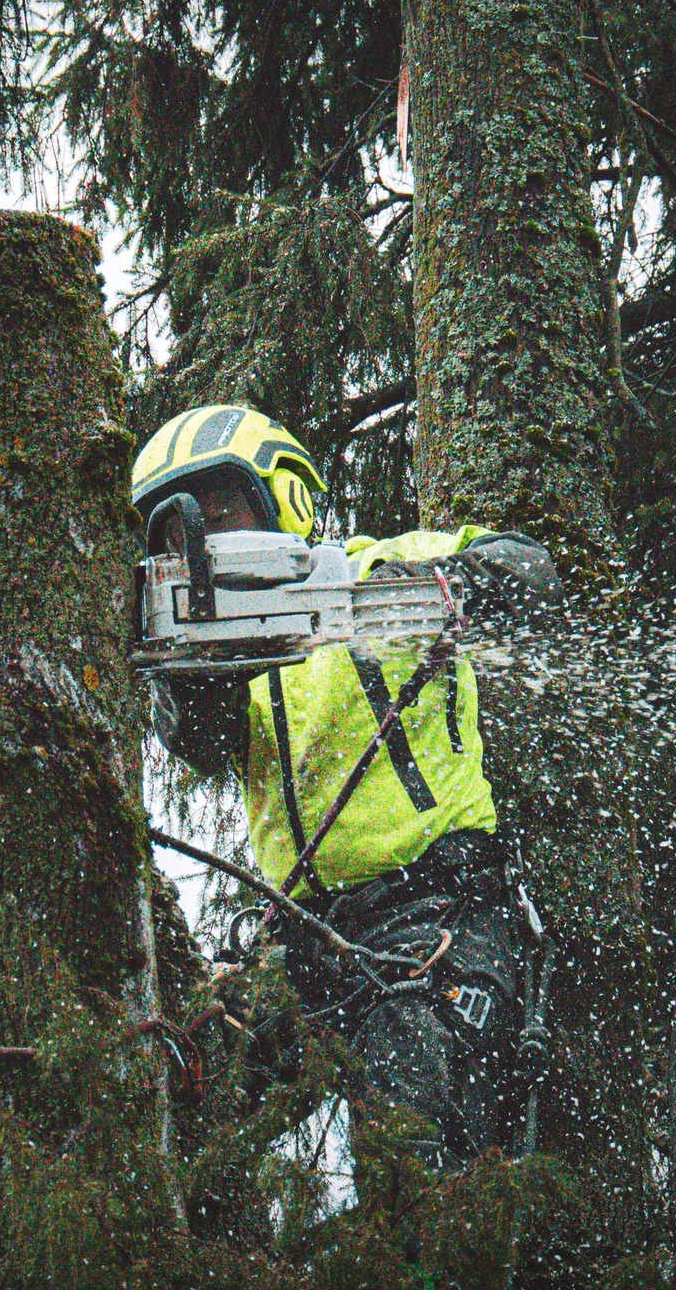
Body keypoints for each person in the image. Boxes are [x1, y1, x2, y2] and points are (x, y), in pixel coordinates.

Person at [131, 403, 558, 1173]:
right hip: (304, 937)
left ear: (279, 493)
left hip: (437, 909)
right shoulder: (215, 657)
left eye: (221, 507)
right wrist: (191, 676)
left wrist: (436, 584)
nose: (203, 537)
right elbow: (193, 743)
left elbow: (528, 566)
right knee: (197, 1085)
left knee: (409, 1115)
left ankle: (422, 1280)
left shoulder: (378, 569)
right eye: (177, 530)